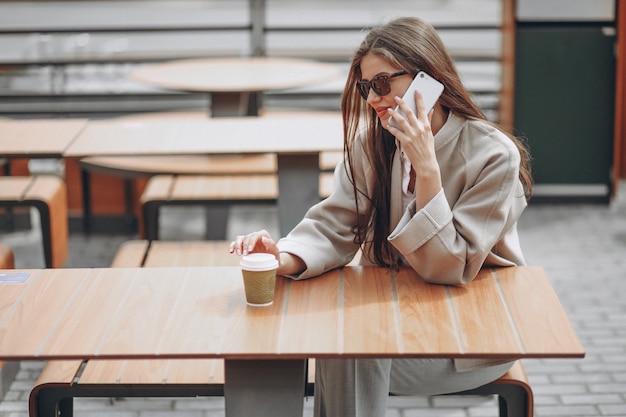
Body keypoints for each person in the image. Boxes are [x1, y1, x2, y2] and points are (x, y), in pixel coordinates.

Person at [229, 16, 532, 417]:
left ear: (430, 79)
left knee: (350, 349)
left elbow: (449, 266)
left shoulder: (493, 154)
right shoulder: (374, 143)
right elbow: (335, 224)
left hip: (469, 338)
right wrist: (282, 256)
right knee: (333, 343)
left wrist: (426, 168)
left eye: (383, 83)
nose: (373, 99)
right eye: (365, 87)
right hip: (394, 315)